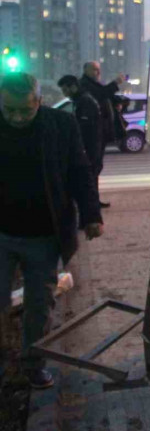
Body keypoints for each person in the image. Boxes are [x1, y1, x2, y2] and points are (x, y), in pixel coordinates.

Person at [0, 73, 104, 389]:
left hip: (44, 235)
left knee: (39, 305)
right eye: (9, 110)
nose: (17, 117)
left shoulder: (60, 126)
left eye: (25, 110)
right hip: (1, 235)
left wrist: (91, 215)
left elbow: (79, 172)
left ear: (39, 102)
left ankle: (33, 364)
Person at [80, 61, 125, 208]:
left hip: (101, 133)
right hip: (92, 134)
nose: (97, 72)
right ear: (85, 70)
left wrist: (118, 102)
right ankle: (90, 203)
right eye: (94, 69)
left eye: (98, 69)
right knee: (92, 169)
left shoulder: (95, 83)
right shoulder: (85, 85)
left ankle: (94, 200)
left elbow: (106, 96)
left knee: (96, 168)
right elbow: (100, 95)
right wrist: (116, 83)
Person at [58, 75, 103, 213]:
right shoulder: (81, 99)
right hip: (91, 147)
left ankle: (88, 217)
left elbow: (83, 128)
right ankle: (91, 210)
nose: (64, 93)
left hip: (89, 148)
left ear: (73, 86)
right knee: (89, 180)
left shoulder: (84, 102)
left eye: (65, 89)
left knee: (86, 182)